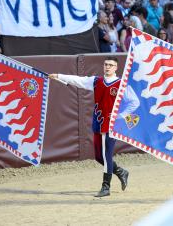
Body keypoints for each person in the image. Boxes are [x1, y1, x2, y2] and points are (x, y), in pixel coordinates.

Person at [48, 57, 129, 198]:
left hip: (111, 124)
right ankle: (120, 171)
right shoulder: (96, 81)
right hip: (98, 121)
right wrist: (58, 76)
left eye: (111, 65)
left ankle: (106, 187)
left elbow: (134, 102)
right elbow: (78, 80)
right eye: (106, 64)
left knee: (106, 155)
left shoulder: (121, 84)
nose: (108, 67)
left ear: (116, 67)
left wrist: (120, 116)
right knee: (99, 157)